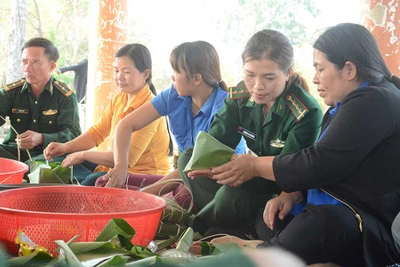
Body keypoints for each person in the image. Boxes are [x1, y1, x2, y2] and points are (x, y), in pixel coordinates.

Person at [189, 23, 400, 266]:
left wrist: (255, 166)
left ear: (349, 69)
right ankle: (278, 248)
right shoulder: (349, 103)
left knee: (322, 223)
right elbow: (336, 164)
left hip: (367, 224)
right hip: (328, 206)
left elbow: (319, 163)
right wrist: (294, 194)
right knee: (273, 218)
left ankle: (260, 251)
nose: (315, 78)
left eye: (320, 69)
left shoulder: (374, 101)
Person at [178, 29, 323, 238]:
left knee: (231, 195)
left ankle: (197, 227)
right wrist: (209, 163)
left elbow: (291, 175)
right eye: (250, 75)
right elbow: (217, 139)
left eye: (269, 77)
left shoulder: (305, 112)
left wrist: (248, 169)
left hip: (278, 188)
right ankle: (232, 224)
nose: (257, 86)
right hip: (247, 177)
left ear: (288, 73)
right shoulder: (241, 95)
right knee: (187, 159)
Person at [100, 41, 246, 197]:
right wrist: (121, 167)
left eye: (176, 71)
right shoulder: (174, 95)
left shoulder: (223, 109)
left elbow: (193, 167)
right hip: (182, 177)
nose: (172, 76)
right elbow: (126, 124)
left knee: (182, 196)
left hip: (212, 183)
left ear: (196, 79)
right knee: (103, 183)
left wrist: (143, 196)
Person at [43, 43, 171, 185]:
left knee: (92, 180)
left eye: (126, 72)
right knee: (60, 160)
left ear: (145, 74)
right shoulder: (119, 99)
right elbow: (96, 133)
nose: (120, 77)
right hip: (113, 167)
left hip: (143, 176)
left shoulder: (151, 108)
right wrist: (65, 147)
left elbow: (128, 159)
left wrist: (82, 155)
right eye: (116, 71)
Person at [0, 37, 81, 162]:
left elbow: (73, 133)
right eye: (24, 61)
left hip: (49, 155)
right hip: (13, 152)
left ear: (52, 66)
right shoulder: (10, 92)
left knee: (39, 167)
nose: (27, 68)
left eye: (35, 62)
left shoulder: (65, 96)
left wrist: (42, 138)